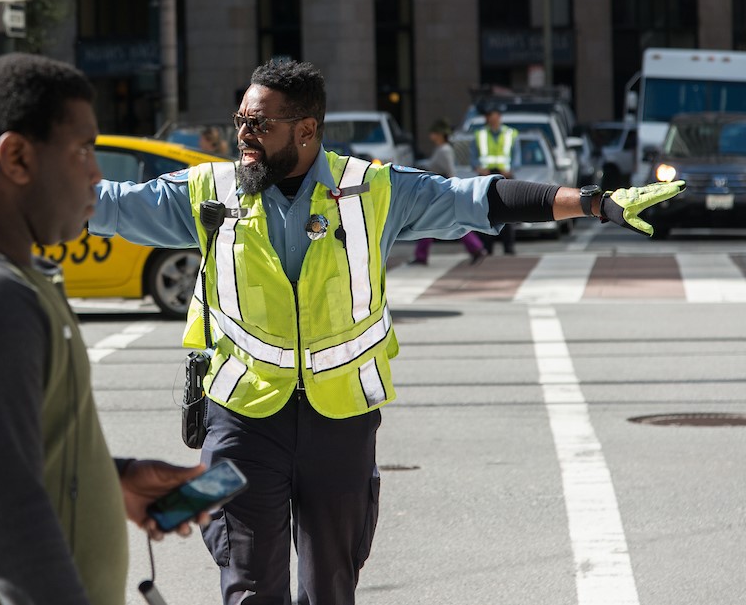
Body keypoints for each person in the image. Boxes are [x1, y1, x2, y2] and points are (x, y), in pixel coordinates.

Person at [88, 58, 683, 605]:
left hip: (340, 420)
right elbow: (111, 204)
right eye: (240, 119)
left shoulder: (373, 190)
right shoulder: (209, 193)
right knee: (247, 584)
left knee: (332, 586)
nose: (244, 134)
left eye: (259, 124)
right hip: (242, 419)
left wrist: (592, 202)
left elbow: (477, 201)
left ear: (306, 131)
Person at [0, 53, 209, 605]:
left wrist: (108, 477)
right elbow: (11, 524)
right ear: (18, 157)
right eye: (82, 151)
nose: (97, 173)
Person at [410, 118, 486, 265]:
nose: (431, 135)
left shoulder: (444, 150)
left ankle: (476, 248)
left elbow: (451, 172)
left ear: (439, 134)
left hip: (441, 192)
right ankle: (476, 248)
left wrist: (453, 191)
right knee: (434, 223)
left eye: (433, 132)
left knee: (429, 223)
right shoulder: (441, 149)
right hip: (438, 192)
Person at [472, 106, 520, 254]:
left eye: (492, 115)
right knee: (486, 211)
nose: (490, 119)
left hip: (505, 176)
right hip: (485, 177)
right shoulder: (480, 134)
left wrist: (511, 169)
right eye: (487, 116)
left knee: (507, 211)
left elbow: (517, 156)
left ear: (499, 116)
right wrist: (478, 168)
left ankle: (508, 246)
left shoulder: (510, 133)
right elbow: (473, 157)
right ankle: (487, 247)